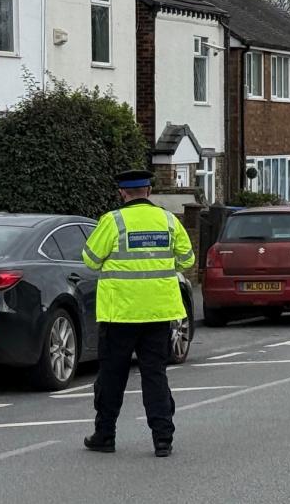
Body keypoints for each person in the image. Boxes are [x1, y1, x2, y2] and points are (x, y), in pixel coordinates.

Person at [82, 170, 195, 458]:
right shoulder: (169, 220)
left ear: (122, 192)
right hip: (158, 312)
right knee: (154, 375)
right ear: (148, 190)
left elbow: (90, 259)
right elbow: (187, 259)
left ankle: (105, 434)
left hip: (119, 313)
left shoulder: (113, 221)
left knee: (112, 376)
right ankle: (163, 439)